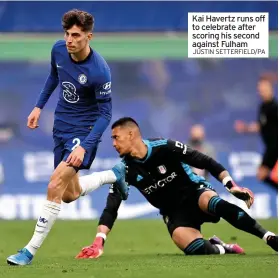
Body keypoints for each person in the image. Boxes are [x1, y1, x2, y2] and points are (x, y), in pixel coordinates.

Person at [7, 9, 120, 265]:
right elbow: (53, 77)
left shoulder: (100, 71)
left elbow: (105, 114)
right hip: (61, 128)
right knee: (69, 194)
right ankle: (114, 175)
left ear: (89, 37)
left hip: (84, 134)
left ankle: (29, 250)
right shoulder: (58, 50)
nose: (70, 40)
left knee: (55, 185)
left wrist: (86, 146)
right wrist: (38, 106)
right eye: (67, 34)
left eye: (76, 35)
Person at [75, 117, 278, 259]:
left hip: (194, 193)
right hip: (173, 213)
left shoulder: (165, 147)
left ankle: (268, 237)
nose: (113, 144)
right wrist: (98, 242)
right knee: (194, 248)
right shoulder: (124, 169)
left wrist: (231, 186)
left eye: (116, 138)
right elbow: (111, 207)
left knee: (212, 201)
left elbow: (206, 161)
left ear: (131, 134)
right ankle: (222, 248)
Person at [234, 74, 278, 190]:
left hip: (275, 147)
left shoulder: (275, 108)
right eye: (260, 89)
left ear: (270, 89)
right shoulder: (263, 107)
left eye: (264, 89)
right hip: (270, 148)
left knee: (262, 174)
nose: (261, 91)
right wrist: (245, 128)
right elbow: (261, 126)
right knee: (262, 175)